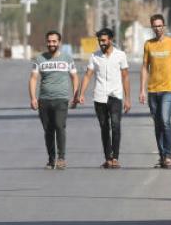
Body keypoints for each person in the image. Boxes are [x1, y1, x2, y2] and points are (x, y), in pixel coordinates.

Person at [75, 27, 131, 169]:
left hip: (115, 96)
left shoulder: (120, 55)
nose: (102, 43)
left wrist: (128, 98)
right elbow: (88, 75)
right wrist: (81, 94)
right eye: (100, 41)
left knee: (116, 125)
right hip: (99, 97)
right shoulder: (95, 56)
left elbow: (125, 77)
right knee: (104, 127)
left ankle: (115, 157)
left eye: (104, 40)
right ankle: (108, 158)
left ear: (111, 40)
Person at [29, 30, 78, 170]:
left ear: (59, 42)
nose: (51, 44)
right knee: (48, 130)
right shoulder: (39, 59)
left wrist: (75, 96)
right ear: (46, 42)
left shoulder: (67, 58)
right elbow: (33, 78)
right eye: (49, 41)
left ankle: (61, 158)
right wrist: (33, 98)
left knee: (59, 125)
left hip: (61, 99)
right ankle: (51, 159)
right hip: (44, 100)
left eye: (54, 41)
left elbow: (74, 77)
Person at [139, 14, 171, 168]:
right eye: (154, 26)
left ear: (164, 26)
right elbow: (145, 67)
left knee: (165, 120)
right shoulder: (148, 44)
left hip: (168, 89)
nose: (157, 28)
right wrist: (142, 90)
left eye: (159, 25)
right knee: (158, 124)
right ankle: (162, 155)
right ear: (152, 27)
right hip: (152, 90)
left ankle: (169, 155)